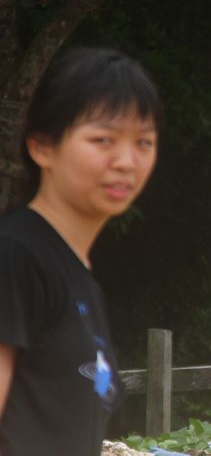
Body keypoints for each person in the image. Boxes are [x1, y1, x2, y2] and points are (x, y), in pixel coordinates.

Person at [0, 48, 161, 456]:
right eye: (103, 139)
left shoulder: (78, 274)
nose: (126, 161)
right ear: (42, 146)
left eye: (144, 142)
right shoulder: (14, 258)